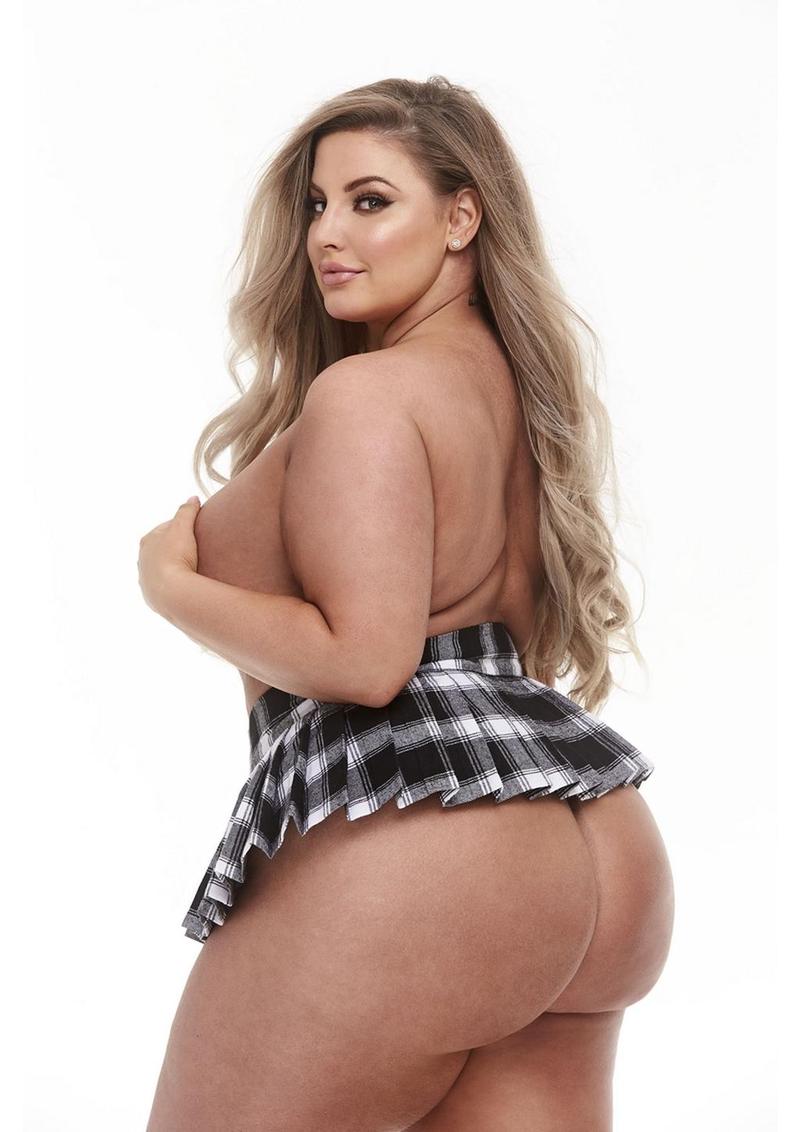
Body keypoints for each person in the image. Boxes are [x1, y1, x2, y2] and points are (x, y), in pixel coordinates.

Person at [139, 74, 675, 1132]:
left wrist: (172, 587)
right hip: (593, 835)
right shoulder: (514, 393)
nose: (327, 234)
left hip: (424, 858)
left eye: (370, 200)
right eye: (316, 204)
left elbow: (367, 660)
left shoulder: (368, 395)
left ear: (461, 217)